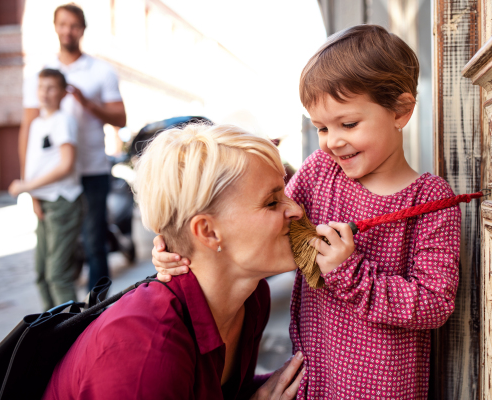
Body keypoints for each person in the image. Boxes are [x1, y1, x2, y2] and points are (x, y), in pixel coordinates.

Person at [153, 25, 461, 399]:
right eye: (321, 128)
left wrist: (351, 273)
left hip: (383, 388)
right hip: (312, 378)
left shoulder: (430, 199)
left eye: (348, 124)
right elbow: (262, 227)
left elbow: (434, 304)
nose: (333, 141)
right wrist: (181, 249)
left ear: (401, 110)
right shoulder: (320, 172)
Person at [43, 123, 305, 399]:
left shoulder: (252, 298)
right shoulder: (144, 351)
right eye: (272, 202)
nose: (297, 209)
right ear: (208, 232)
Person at [19, 3, 127, 291]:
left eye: (74, 25)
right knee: (56, 253)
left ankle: (97, 311)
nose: (68, 30)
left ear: (82, 30)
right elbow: (28, 128)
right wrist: (29, 185)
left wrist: (88, 103)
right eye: (63, 24)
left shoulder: (100, 71)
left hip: (91, 169)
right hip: (56, 178)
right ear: (56, 27)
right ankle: (62, 319)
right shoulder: (40, 75)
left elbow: (120, 118)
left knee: (94, 243)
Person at [9, 68, 83, 311]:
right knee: (41, 275)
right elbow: (36, 164)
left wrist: (26, 186)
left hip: (62, 202)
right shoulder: (38, 123)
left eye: (51, 88)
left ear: (62, 93)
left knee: (58, 275)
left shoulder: (63, 120)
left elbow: (66, 164)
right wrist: (33, 196)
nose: (45, 93)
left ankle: (71, 333)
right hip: (44, 201)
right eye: (41, 87)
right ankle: (51, 332)